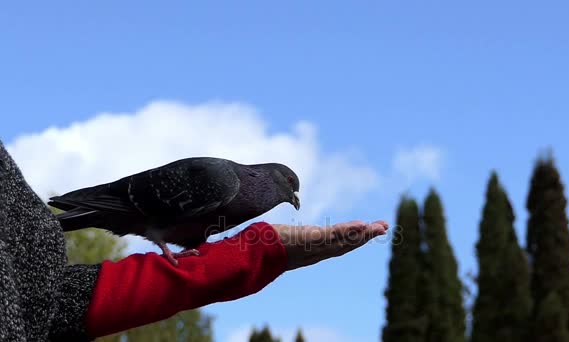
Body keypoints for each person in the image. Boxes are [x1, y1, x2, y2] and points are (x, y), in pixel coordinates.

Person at [0, 140, 388, 341]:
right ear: (274, 176)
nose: (291, 195)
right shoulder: (224, 180)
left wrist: (246, 256)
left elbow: (41, 302)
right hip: (134, 208)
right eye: (290, 186)